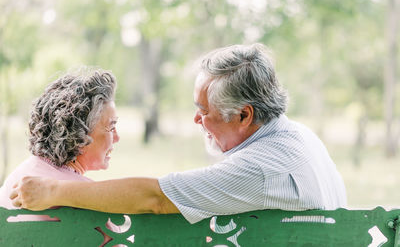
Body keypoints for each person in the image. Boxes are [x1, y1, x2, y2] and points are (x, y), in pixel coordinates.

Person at [10, 44, 347, 224]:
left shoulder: (260, 169)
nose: (196, 120)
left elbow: (155, 199)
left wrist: (53, 189)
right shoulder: (300, 137)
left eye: (204, 111)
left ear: (244, 115)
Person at [1, 69, 119, 209]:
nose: (117, 138)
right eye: (111, 127)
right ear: (80, 135)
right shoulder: (85, 197)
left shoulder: (16, 178)